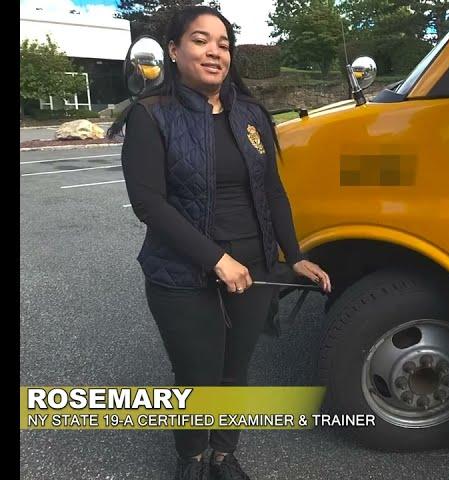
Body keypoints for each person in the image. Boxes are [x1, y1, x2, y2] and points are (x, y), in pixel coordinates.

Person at [108, 6, 331, 480]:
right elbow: (150, 204)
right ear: (174, 50)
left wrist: (294, 256)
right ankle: (190, 459)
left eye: (223, 44)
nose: (215, 52)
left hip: (255, 268)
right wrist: (217, 260)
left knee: (235, 369)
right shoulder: (152, 116)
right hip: (183, 274)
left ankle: (222, 456)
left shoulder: (249, 114)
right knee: (198, 375)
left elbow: (273, 191)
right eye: (200, 40)